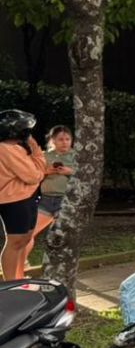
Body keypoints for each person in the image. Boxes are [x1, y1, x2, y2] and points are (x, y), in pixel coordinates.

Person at [0, 110, 45, 280]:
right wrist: (35, 150)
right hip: (15, 201)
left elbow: (37, 170)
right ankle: (11, 283)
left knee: (24, 240)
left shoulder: (15, 148)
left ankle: (18, 278)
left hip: (24, 198)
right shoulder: (7, 149)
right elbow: (34, 175)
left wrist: (35, 157)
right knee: (15, 242)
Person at [23, 125, 75, 266]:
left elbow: (86, 177)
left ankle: (61, 268)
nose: (64, 142)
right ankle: (21, 262)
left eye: (67, 139)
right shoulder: (45, 156)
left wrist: (69, 171)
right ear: (52, 140)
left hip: (66, 202)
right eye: (60, 139)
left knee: (61, 238)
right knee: (28, 233)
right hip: (46, 201)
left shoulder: (77, 156)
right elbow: (32, 175)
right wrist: (47, 171)